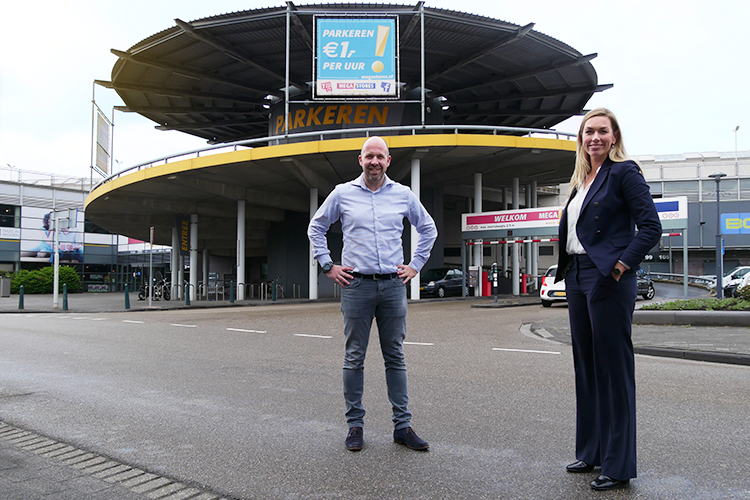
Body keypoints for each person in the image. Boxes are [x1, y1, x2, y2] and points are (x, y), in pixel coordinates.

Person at [307, 136, 438, 452]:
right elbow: (316, 228)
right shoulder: (342, 194)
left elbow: (428, 228)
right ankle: (355, 426)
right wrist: (327, 266)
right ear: (360, 159)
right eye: (369, 156)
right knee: (354, 357)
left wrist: (415, 265)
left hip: (393, 286)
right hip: (356, 286)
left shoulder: (403, 195)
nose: (375, 161)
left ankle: (402, 427)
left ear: (388, 161)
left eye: (380, 156)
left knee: (395, 356)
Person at [555, 108, 662, 490]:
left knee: (613, 371)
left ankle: (617, 466)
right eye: (588, 132)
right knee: (586, 366)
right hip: (577, 276)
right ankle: (592, 451)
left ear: (614, 136)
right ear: (581, 139)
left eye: (602, 131)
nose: (595, 137)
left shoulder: (624, 172)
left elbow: (651, 226)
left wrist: (619, 267)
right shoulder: (580, 180)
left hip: (608, 277)